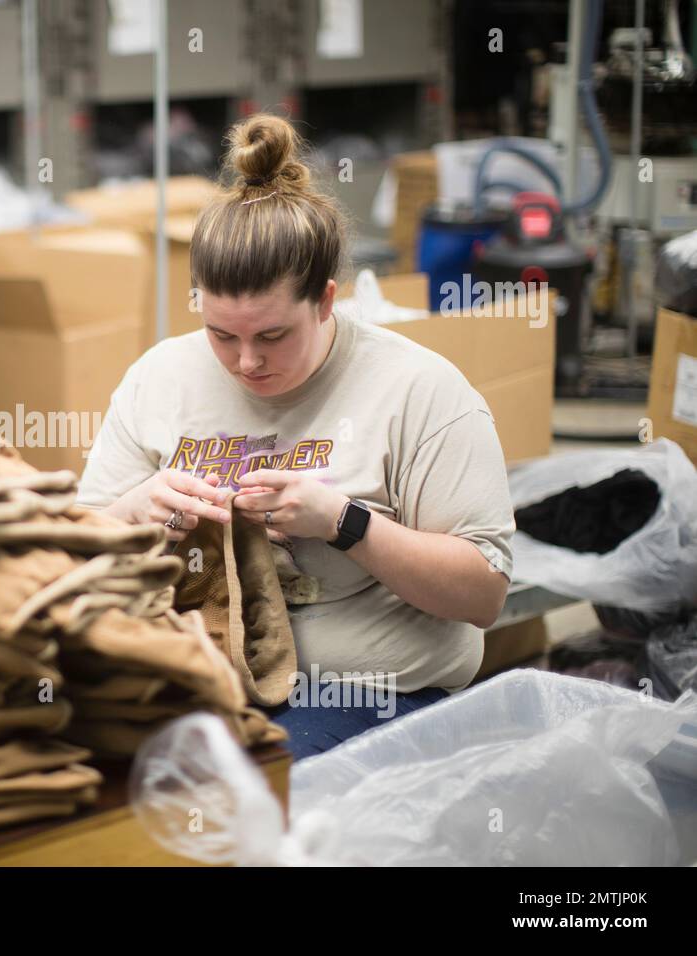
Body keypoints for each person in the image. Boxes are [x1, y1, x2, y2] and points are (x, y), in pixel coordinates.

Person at [77, 113, 516, 760]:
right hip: (200, 674)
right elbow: (70, 557)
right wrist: (133, 514)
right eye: (223, 335)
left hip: (367, 694)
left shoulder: (418, 390)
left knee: (254, 796)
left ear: (326, 301)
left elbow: (483, 593)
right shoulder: (161, 378)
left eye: (273, 336)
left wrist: (343, 522)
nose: (246, 361)